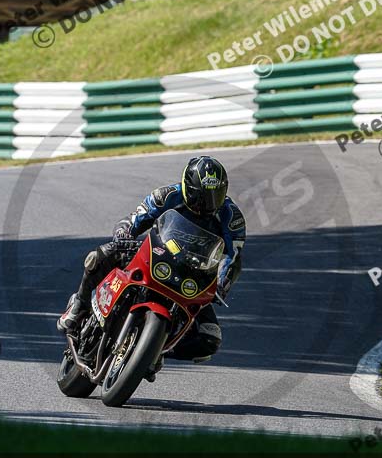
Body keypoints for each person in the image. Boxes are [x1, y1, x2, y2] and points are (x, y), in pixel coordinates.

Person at [58, 156, 246, 373]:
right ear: (187, 187)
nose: (207, 204)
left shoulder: (232, 217)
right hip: (156, 253)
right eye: (201, 196)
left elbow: (233, 257)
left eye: (216, 196)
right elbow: (134, 219)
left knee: (209, 337)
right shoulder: (167, 195)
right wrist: (124, 236)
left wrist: (221, 285)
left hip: (193, 274)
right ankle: (79, 305)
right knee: (101, 255)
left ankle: (157, 350)